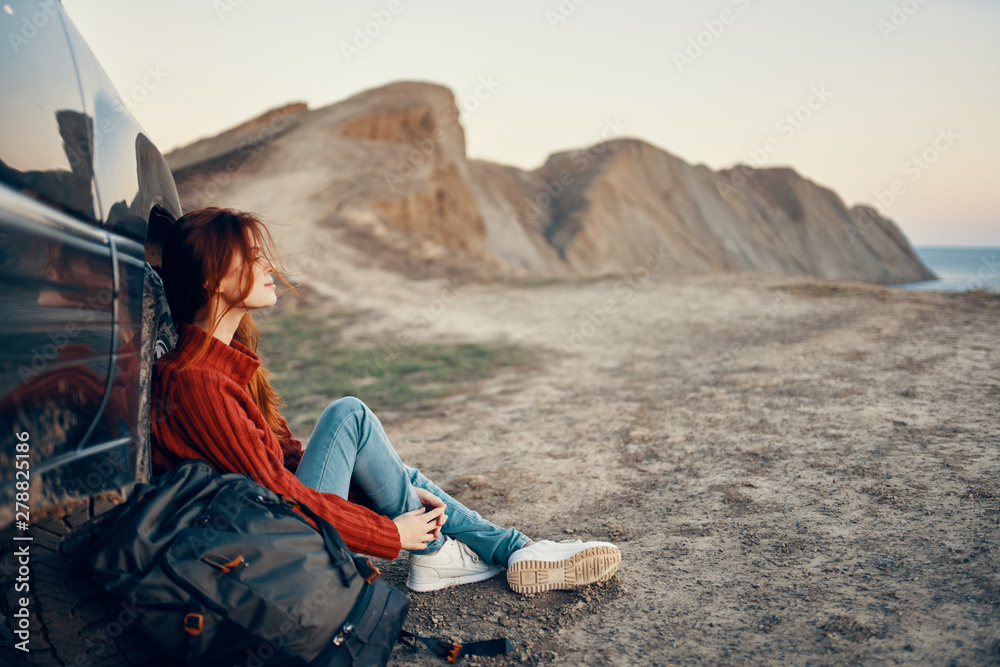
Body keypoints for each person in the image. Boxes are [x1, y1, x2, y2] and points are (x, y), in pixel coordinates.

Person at [150, 207, 621, 594]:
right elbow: (278, 494)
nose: (269, 266)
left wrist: (377, 495)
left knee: (397, 477)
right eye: (253, 257)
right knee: (347, 415)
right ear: (213, 279)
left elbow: (281, 461)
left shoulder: (222, 363)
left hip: (276, 528)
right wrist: (390, 533)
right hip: (270, 551)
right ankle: (461, 553)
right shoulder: (199, 383)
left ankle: (510, 549)